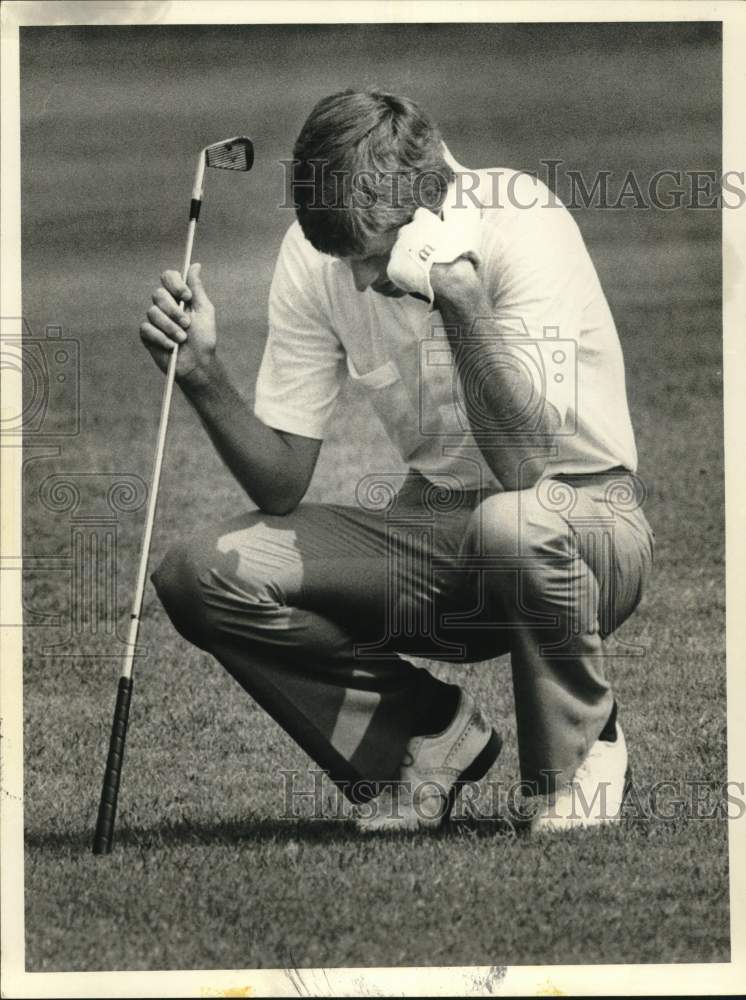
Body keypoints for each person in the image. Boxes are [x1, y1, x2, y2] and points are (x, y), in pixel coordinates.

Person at [139, 89, 654, 833]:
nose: (356, 281)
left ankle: (580, 755)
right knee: (203, 571)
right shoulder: (317, 258)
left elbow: (522, 468)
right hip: (442, 535)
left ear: (432, 207)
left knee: (512, 523)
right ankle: (423, 736)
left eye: (373, 259)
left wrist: (459, 298)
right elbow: (282, 479)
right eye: (342, 259)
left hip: (586, 524)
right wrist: (201, 376)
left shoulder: (524, 221)